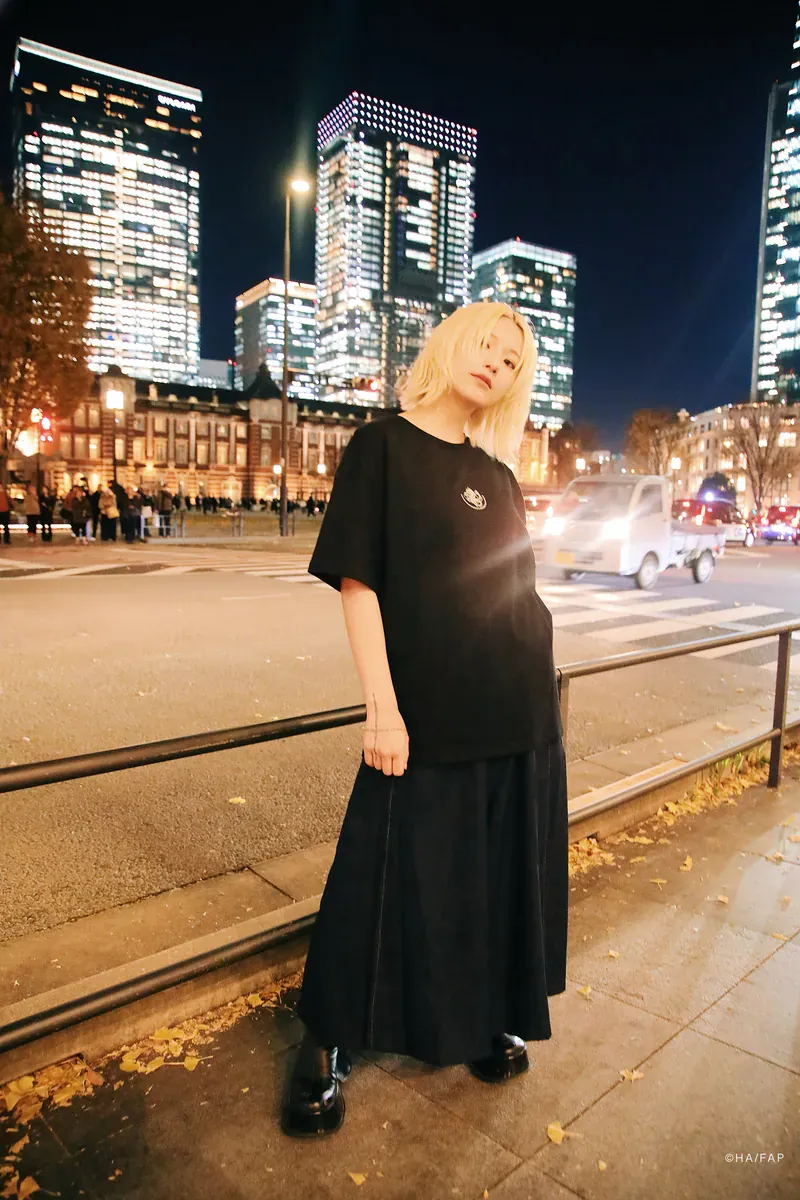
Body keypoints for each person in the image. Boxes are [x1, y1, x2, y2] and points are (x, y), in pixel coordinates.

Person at [281, 301, 567, 1138]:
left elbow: (513, 585)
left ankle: (480, 1014)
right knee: (375, 871)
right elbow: (358, 583)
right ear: (451, 343)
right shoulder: (382, 447)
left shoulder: (498, 475)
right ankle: (325, 1036)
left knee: (489, 873)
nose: (495, 365)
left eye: (511, 362)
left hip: (517, 706)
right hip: (425, 707)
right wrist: (382, 705)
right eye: (488, 345)